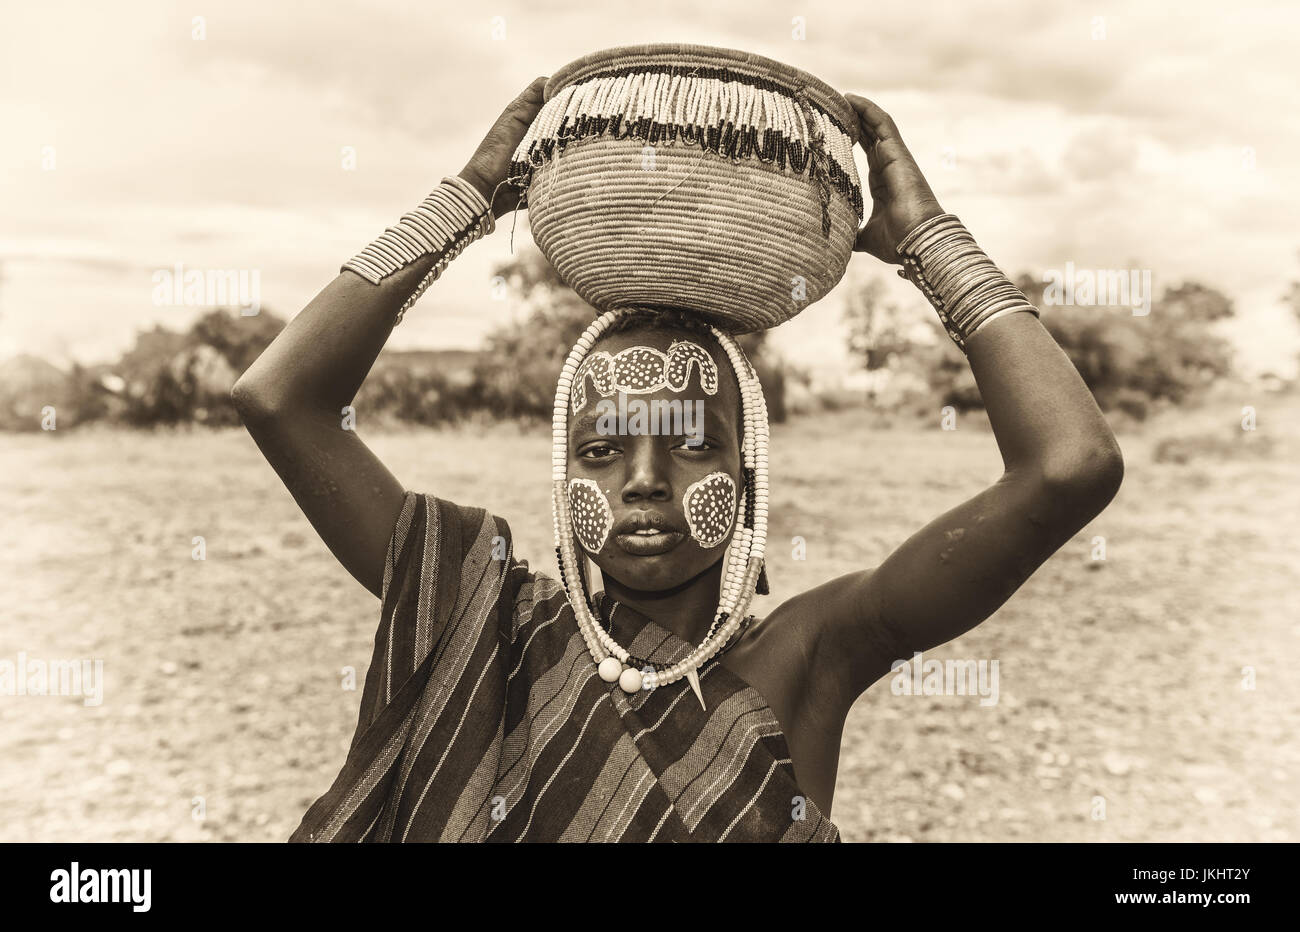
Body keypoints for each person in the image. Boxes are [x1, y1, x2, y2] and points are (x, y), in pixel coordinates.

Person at [233, 76, 1123, 842]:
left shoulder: (813, 654)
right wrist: (463, 198)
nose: (646, 480)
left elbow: (1069, 467)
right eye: (602, 450)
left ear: (746, 480)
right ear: (564, 476)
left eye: (695, 443)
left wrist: (931, 240)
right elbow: (278, 399)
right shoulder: (484, 613)